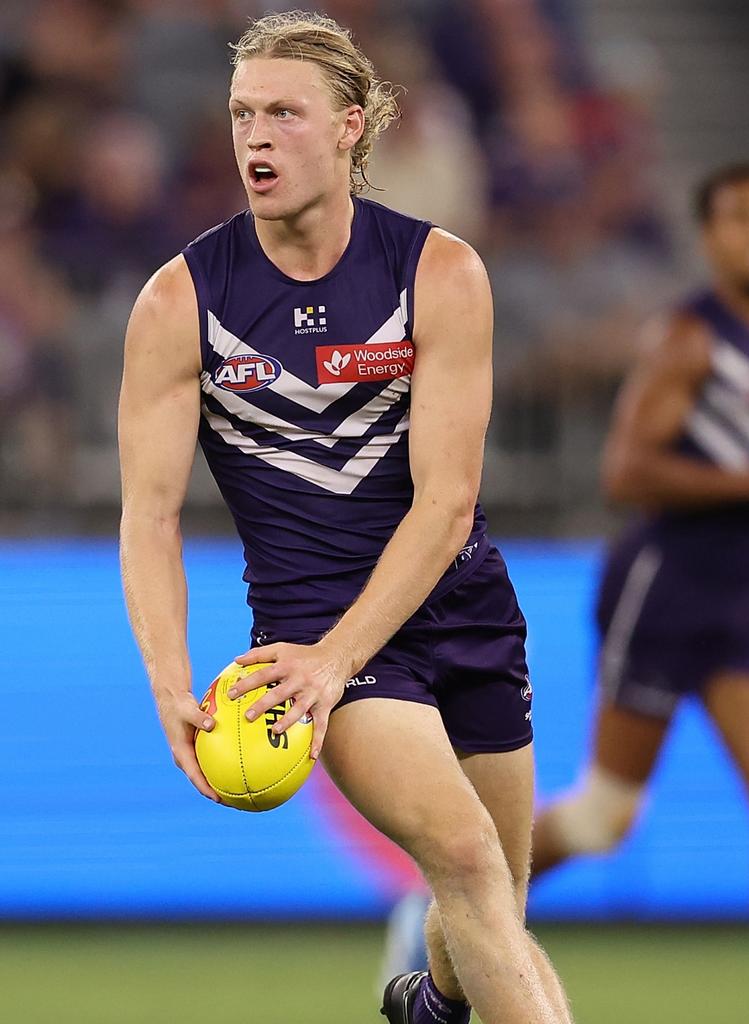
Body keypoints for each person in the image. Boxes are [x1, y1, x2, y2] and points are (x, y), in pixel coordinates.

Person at [118, 12, 571, 1024]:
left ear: (351, 127)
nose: (255, 138)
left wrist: (338, 653)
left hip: (466, 612)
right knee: (463, 857)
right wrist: (174, 679)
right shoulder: (179, 302)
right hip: (318, 636)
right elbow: (147, 518)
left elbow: (448, 501)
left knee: (493, 897)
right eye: (242, 114)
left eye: (284, 112)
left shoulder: (440, 273)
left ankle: (431, 1005)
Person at [532, 164, 749, 904]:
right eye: (739, 217)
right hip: (671, 583)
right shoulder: (693, 339)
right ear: (707, 237)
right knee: (604, 817)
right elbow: (625, 471)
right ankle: (447, 905)